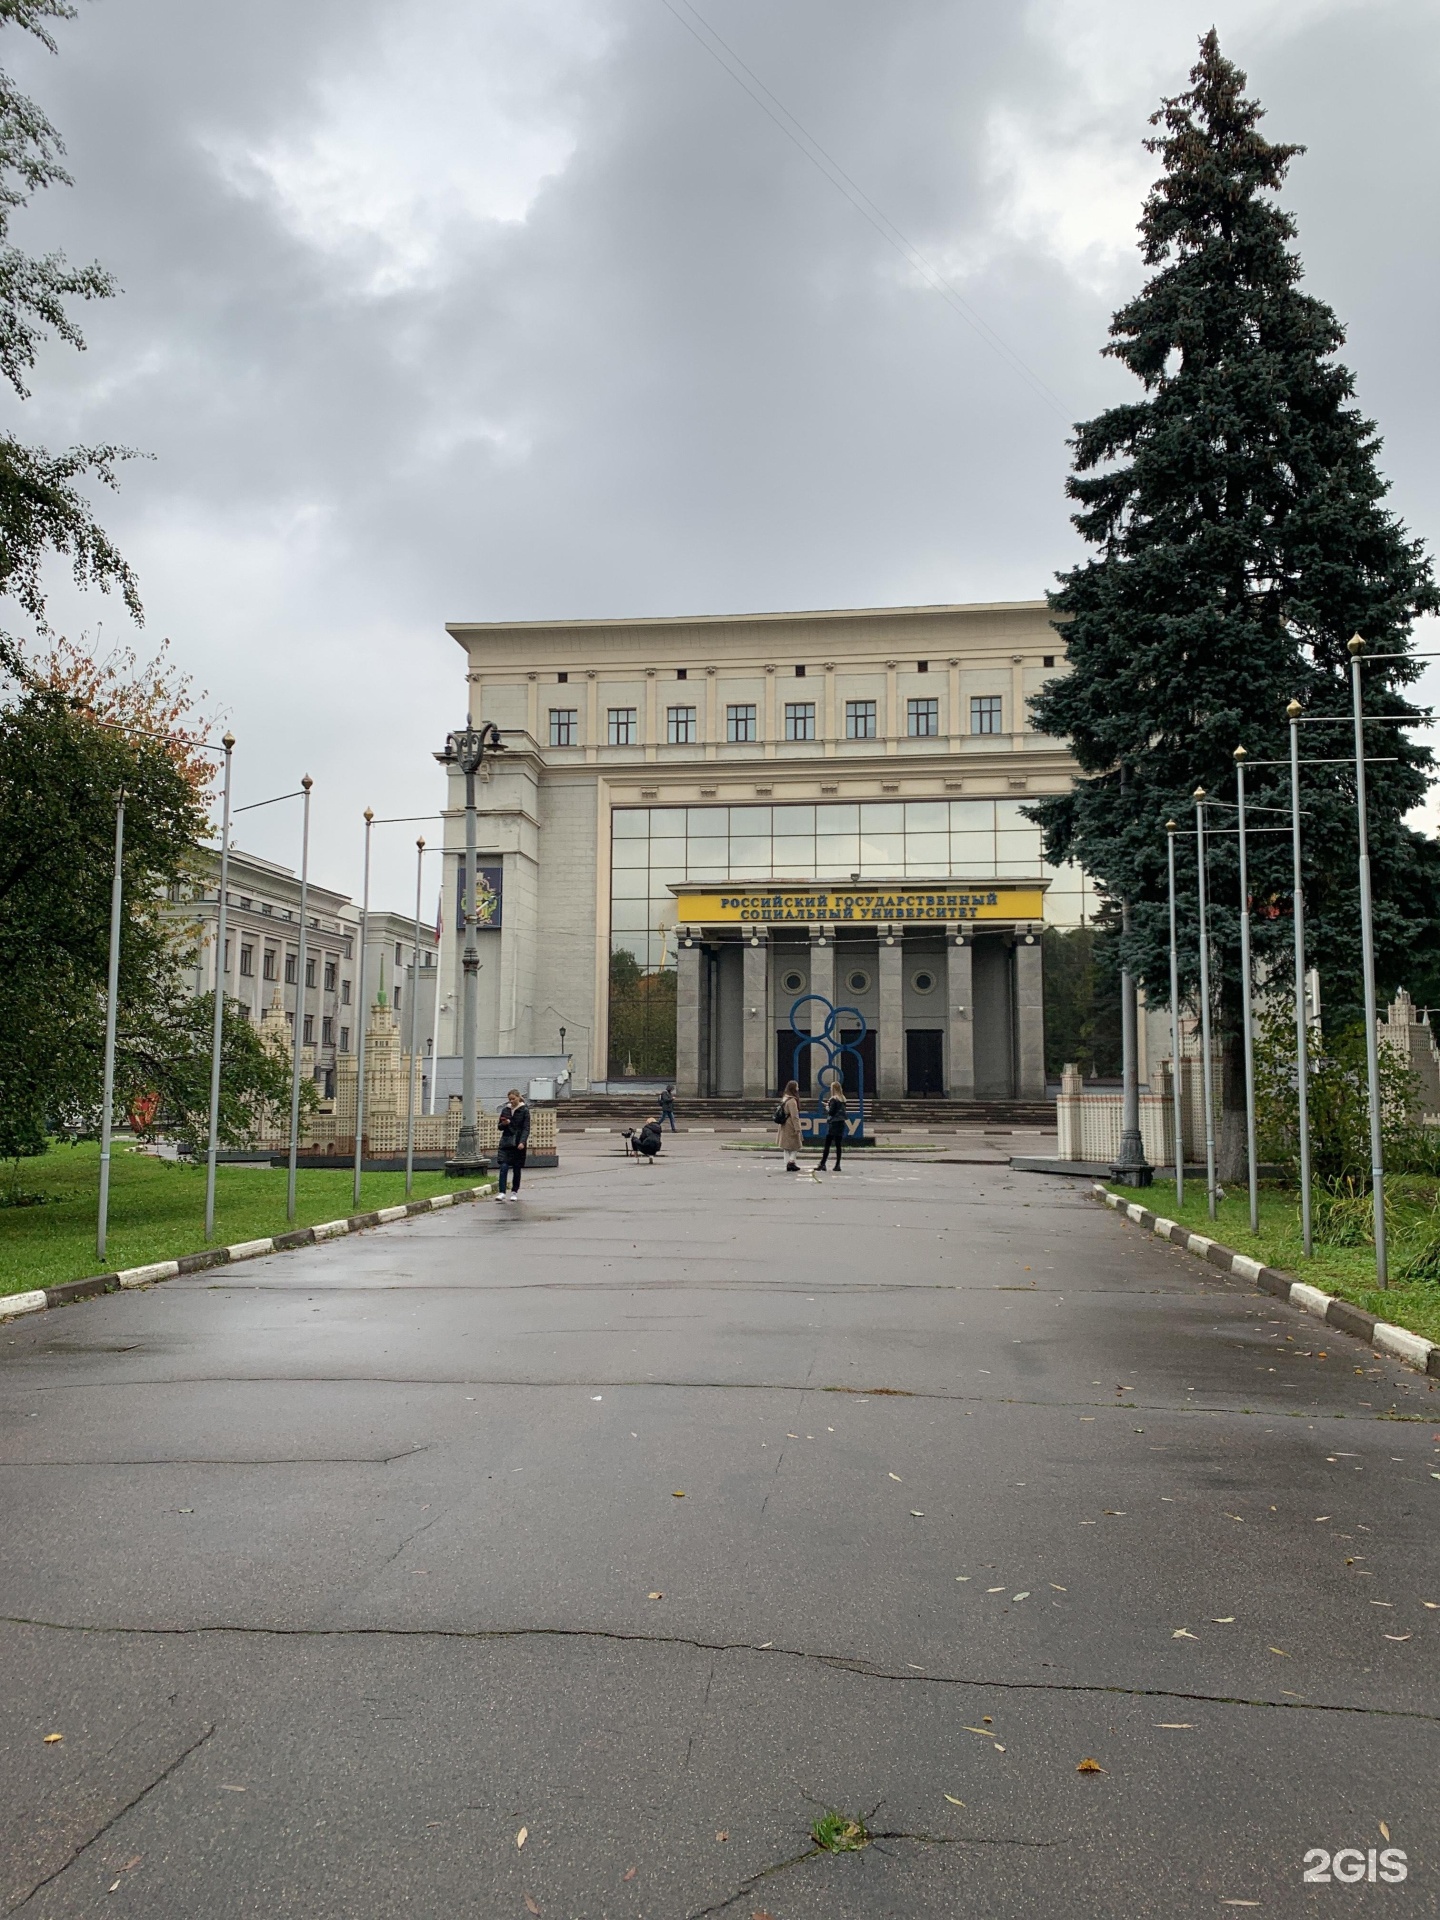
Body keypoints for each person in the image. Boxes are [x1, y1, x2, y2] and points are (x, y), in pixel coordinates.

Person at [495, 1088, 530, 1201]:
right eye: (510, 1099)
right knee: (503, 1166)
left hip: (518, 1143)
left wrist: (522, 1142)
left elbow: (526, 1128)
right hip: (506, 1142)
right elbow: (499, 1127)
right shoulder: (505, 1110)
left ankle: (514, 1191)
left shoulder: (524, 1110)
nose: (511, 1101)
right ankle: (502, 1192)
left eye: (513, 1099)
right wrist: (504, 1123)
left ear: (519, 1097)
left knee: (516, 1168)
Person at [818, 1076, 848, 1172]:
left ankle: (823, 1164)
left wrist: (827, 1107)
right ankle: (837, 1165)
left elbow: (831, 1112)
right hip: (841, 1123)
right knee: (838, 1145)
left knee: (827, 1144)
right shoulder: (843, 1099)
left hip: (833, 1124)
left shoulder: (833, 1099)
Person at [776, 1078, 803, 1172]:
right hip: (790, 1125)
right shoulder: (792, 1101)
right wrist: (797, 1128)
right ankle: (791, 1162)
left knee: (786, 1146)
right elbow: (794, 1116)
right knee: (796, 1145)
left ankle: (787, 1163)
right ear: (794, 1088)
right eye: (797, 1086)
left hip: (784, 1124)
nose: (798, 1088)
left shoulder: (785, 1098)